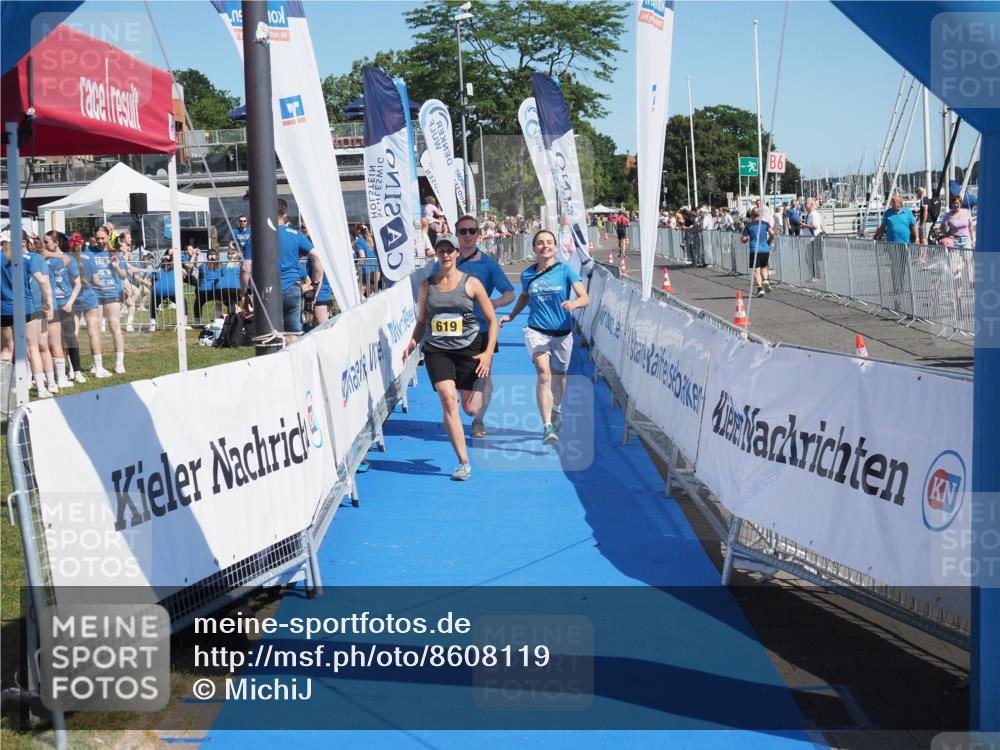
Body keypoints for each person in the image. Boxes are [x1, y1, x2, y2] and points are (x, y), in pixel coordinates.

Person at [403, 233, 498, 481]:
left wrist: (487, 353)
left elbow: (491, 320)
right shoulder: (427, 285)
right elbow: (422, 321)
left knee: (470, 408)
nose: (445, 255)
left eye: (449, 251)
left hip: (469, 348)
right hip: (438, 350)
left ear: (457, 254)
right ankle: (463, 462)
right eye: (441, 251)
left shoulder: (471, 283)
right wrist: (414, 340)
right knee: (448, 399)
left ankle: (485, 385)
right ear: (436, 254)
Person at [499, 229, 590, 446]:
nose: (545, 246)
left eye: (549, 242)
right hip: (536, 330)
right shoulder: (527, 275)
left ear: (556, 247)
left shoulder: (565, 270)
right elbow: (524, 296)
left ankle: (557, 408)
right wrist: (511, 316)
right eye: (540, 243)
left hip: (562, 333)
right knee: (543, 373)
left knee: (560, 376)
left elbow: (584, 297)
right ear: (534, 248)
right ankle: (547, 425)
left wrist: (574, 304)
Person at [431, 213, 515, 438]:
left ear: (479, 235)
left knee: (482, 378)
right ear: (456, 235)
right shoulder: (446, 259)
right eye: (463, 231)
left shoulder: (489, 264)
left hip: (481, 331)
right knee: (455, 384)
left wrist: (492, 303)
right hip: (449, 333)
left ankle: (479, 420)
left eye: (472, 231)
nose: (468, 235)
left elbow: (510, 293)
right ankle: (458, 408)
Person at [243, 199, 324, 340]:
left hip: (266, 291)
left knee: (267, 335)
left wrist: (244, 294)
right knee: (293, 335)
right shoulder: (295, 235)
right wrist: (315, 285)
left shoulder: (256, 237)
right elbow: (317, 259)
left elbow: (245, 268)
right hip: (291, 289)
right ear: (284, 215)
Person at [41, 231, 80, 389]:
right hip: (50, 304)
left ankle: (76, 370)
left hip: (65, 302)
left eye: (46, 241)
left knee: (70, 337)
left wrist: (70, 302)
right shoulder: (42, 259)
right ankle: (55, 371)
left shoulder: (68, 259)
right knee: (52, 340)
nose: (43, 245)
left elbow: (77, 283)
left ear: (55, 243)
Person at [85, 226, 127, 373]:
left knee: (115, 327)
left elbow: (123, 276)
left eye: (103, 238)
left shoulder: (114, 253)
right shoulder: (88, 252)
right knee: (95, 330)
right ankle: (97, 364)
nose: (100, 241)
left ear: (109, 236)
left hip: (111, 293)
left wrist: (116, 266)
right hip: (94, 295)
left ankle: (120, 363)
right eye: (97, 238)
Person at [67, 233, 109, 379]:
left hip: (72, 298)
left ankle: (72, 368)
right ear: (83, 242)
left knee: (73, 333)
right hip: (89, 297)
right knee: (94, 332)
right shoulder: (89, 257)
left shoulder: (66, 258)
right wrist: (103, 285)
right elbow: (96, 280)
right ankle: (98, 368)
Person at [741, 208, 775, 297]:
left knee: (757, 270)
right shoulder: (765, 224)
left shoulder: (749, 225)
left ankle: (760, 289)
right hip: (765, 249)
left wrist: (746, 240)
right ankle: (765, 280)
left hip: (754, 249)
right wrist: (769, 241)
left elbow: (744, 238)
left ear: (752, 215)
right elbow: (772, 233)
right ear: (760, 215)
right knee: (764, 267)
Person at [800, 197, 825, 282]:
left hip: (814, 239)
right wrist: (804, 225)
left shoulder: (814, 214)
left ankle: (816, 276)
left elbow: (815, 226)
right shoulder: (809, 214)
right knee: (808, 258)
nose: (805, 205)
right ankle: (814, 275)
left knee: (812, 258)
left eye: (806, 203)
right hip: (809, 239)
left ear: (811, 204)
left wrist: (805, 225)